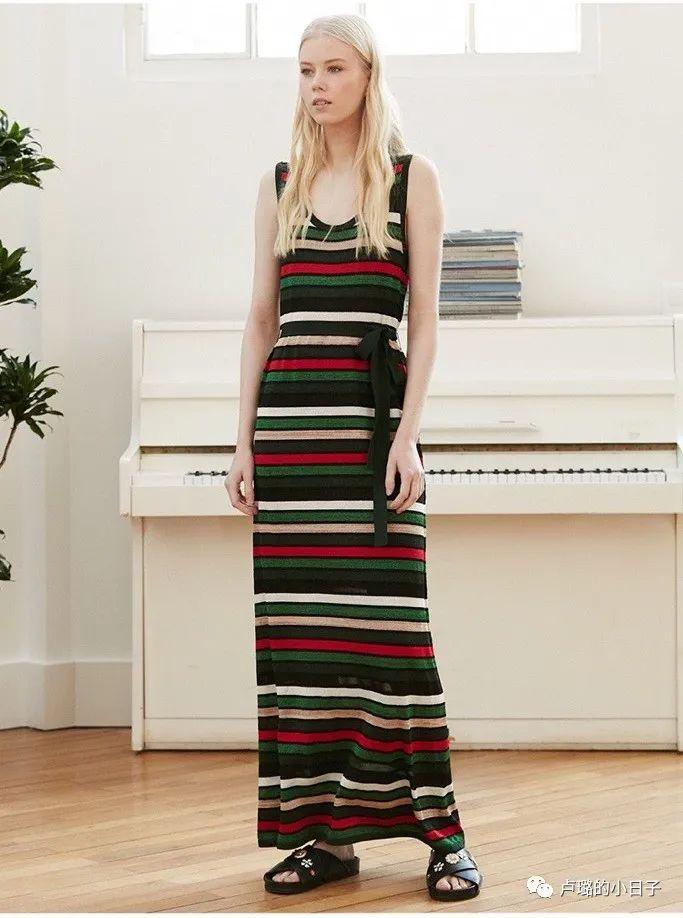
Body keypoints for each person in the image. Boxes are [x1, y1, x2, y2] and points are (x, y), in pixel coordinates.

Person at [226, 12, 482, 904]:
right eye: (305, 71)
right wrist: (241, 441)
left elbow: (425, 322)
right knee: (303, 645)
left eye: (333, 68)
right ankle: (322, 838)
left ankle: (442, 837)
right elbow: (261, 320)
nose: (317, 85)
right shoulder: (280, 184)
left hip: (372, 433)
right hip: (292, 439)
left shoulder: (411, 179)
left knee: (395, 642)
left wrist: (407, 436)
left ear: (369, 74)